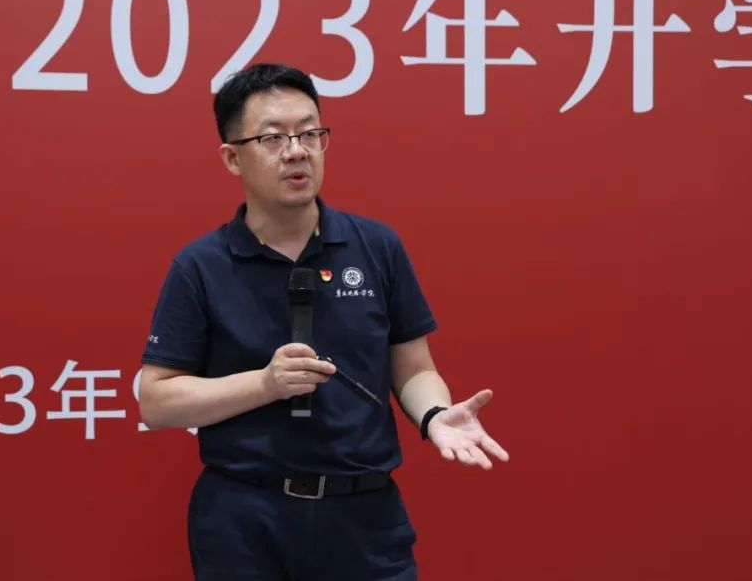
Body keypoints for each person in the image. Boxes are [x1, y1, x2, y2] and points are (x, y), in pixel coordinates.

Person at [138, 63, 509, 581]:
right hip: (245, 519)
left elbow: (414, 368)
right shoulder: (200, 266)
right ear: (232, 157)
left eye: (310, 133)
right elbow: (156, 401)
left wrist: (434, 416)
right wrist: (265, 384)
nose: (297, 151)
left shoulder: (376, 247)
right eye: (272, 138)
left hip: (364, 518)